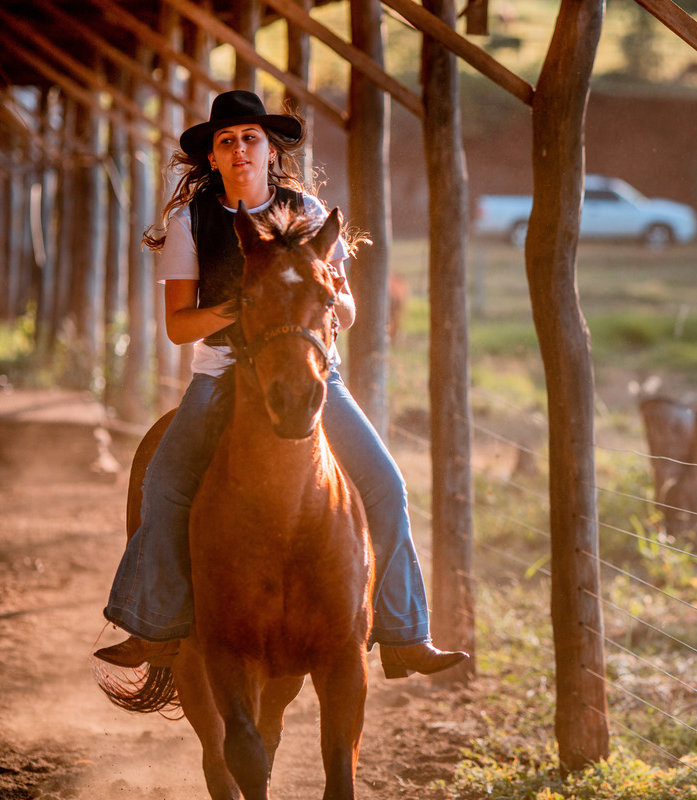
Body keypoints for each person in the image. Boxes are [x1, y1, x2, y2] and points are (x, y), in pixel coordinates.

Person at [95, 90, 467, 679]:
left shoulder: (311, 213)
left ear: (271, 151)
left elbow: (347, 311)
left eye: (251, 138)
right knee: (163, 484)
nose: (239, 149)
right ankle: (153, 623)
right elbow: (178, 327)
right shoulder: (190, 222)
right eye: (226, 141)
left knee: (386, 484)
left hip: (312, 371)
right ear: (212, 158)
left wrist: (317, 299)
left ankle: (404, 632)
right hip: (221, 373)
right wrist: (246, 307)